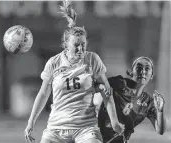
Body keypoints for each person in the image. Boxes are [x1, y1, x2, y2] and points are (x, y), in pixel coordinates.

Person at [24, 1, 124, 143]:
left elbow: (107, 93)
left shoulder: (92, 59)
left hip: (86, 128)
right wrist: (30, 123)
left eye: (83, 44)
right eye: (76, 45)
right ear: (66, 45)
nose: (80, 49)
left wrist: (114, 122)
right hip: (56, 128)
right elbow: (43, 94)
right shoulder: (54, 62)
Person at [96, 57, 166, 143]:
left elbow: (160, 130)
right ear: (131, 72)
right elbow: (97, 84)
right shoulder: (119, 83)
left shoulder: (148, 102)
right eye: (139, 68)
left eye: (147, 68)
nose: (143, 72)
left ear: (151, 75)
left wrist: (160, 111)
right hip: (95, 137)